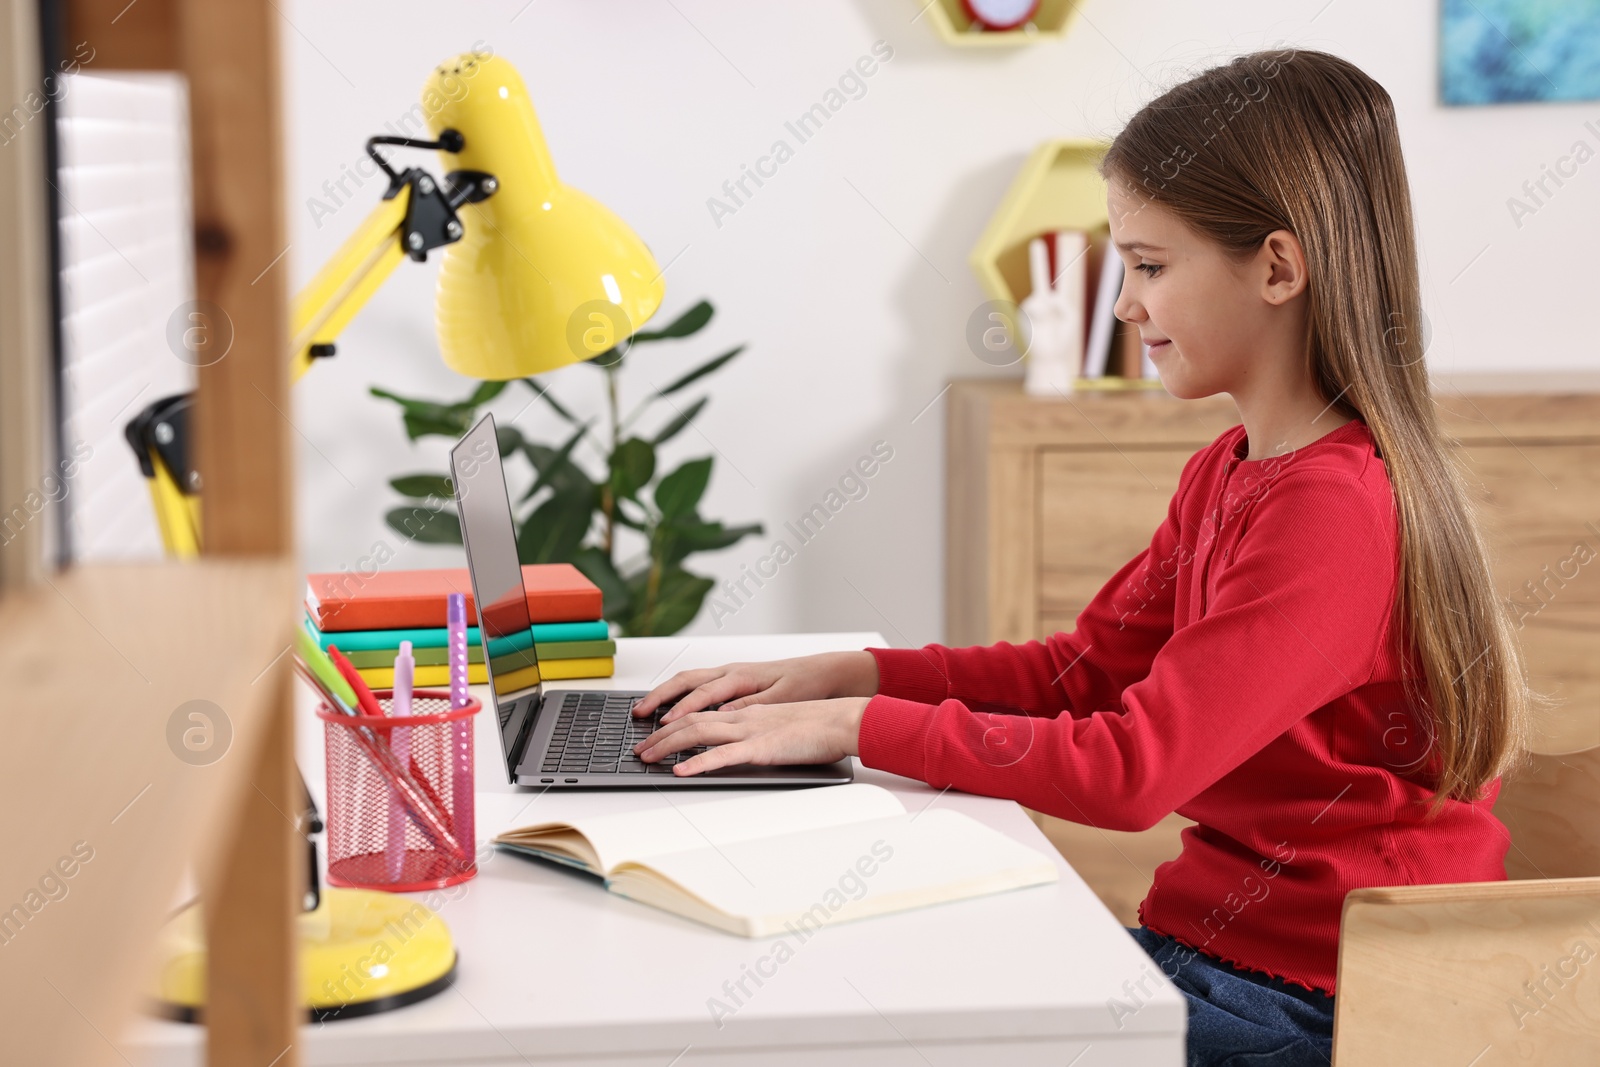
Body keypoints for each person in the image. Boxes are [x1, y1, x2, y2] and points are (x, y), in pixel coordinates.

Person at [629, 48, 1547, 1067]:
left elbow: (1130, 771)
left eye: (1150, 267)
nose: (1124, 306)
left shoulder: (1333, 510)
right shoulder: (1231, 472)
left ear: (1278, 268)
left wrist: (856, 725)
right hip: (1214, 957)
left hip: (1326, 1006)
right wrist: (854, 671)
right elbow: (1081, 676)